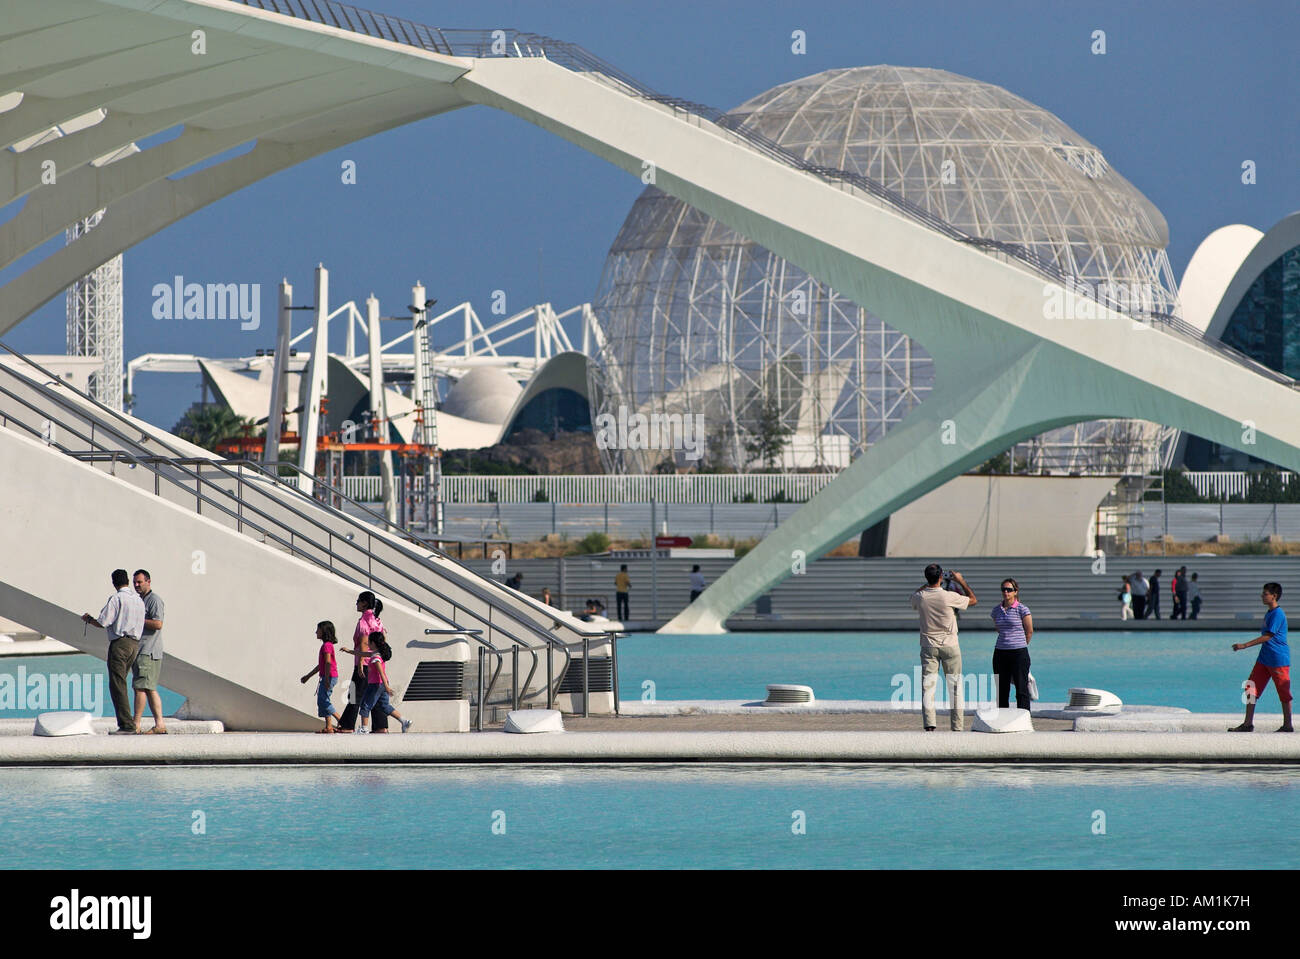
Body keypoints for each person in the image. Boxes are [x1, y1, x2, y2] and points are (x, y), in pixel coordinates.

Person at [909, 563, 977, 732]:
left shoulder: (921, 597)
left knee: (928, 687)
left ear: (926, 578)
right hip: (950, 646)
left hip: (928, 646)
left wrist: (927, 584)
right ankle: (957, 726)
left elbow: (913, 596)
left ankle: (930, 725)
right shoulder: (949, 596)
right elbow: (973, 600)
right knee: (955, 687)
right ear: (941, 577)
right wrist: (961, 580)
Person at [81, 569, 146, 734]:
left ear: (114, 583)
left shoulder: (117, 598)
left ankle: (126, 725)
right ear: (128, 581)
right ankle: (128, 723)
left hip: (120, 644)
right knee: (122, 683)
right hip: (134, 644)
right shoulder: (138, 600)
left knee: (117, 685)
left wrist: (89, 619)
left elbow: (103, 622)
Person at [1229, 582, 1292, 732]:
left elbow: (1268, 636)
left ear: (1274, 596)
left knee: (1283, 692)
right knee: (1250, 687)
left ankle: (1288, 725)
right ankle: (1247, 723)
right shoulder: (1269, 612)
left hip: (1278, 660)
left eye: (1265, 594)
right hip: (1264, 659)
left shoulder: (1278, 614)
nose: (1262, 596)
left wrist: (1244, 645)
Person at [130, 569, 167, 735]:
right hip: (142, 650)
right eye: (135, 582)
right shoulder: (140, 600)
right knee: (149, 688)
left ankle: (135, 724)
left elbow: (158, 624)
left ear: (148, 581)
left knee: (140, 687)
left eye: (140, 582)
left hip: (148, 651)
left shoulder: (154, 600)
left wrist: (138, 619)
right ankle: (159, 724)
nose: (137, 585)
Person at [357, 631, 412, 734]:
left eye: (369, 642)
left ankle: (364, 729)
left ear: (373, 643)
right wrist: (349, 651)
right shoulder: (377, 654)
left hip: (376, 684)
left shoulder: (375, 658)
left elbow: (381, 672)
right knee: (384, 706)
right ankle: (404, 721)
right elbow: (363, 653)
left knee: (365, 704)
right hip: (382, 684)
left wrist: (386, 686)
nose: (367, 644)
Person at [990, 578, 1033, 711]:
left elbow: (1029, 631)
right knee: (1002, 689)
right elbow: (998, 629)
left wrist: (1019, 645)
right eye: (1004, 589)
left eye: (1009, 590)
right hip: (1000, 652)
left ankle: (1024, 716)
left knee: (1021, 689)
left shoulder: (1022, 609)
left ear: (1015, 592)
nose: (1006, 592)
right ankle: (1002, 717)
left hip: (1018, 652)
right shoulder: (996, 610)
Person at [300, 621, 343, 733]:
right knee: (323, 700)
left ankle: (342, 721)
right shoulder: (326, 646)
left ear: (324, 631)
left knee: (323, 700)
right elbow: (321, 665)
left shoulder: (327, 646)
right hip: (327, 676)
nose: (316, 632)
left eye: (318, 630)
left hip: (329, 676)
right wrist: (308, 676)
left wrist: (327, 679)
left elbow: (328, 663)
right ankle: (329, 726)